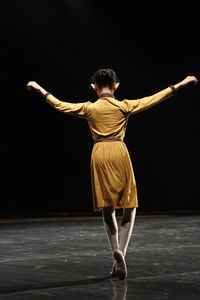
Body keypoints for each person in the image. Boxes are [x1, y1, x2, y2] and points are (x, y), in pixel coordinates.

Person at [26, 69, 198, 280]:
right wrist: (182, 83)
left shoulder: (89, 108)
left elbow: (60, 104)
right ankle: (121, 254)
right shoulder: (123, 105)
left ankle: (116, 253)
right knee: (130, 206)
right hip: (119, 151)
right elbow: (154, 98)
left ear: (94, 87)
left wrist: (38, 87)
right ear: (116, 86)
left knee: (107, 208)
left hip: (99, 153)